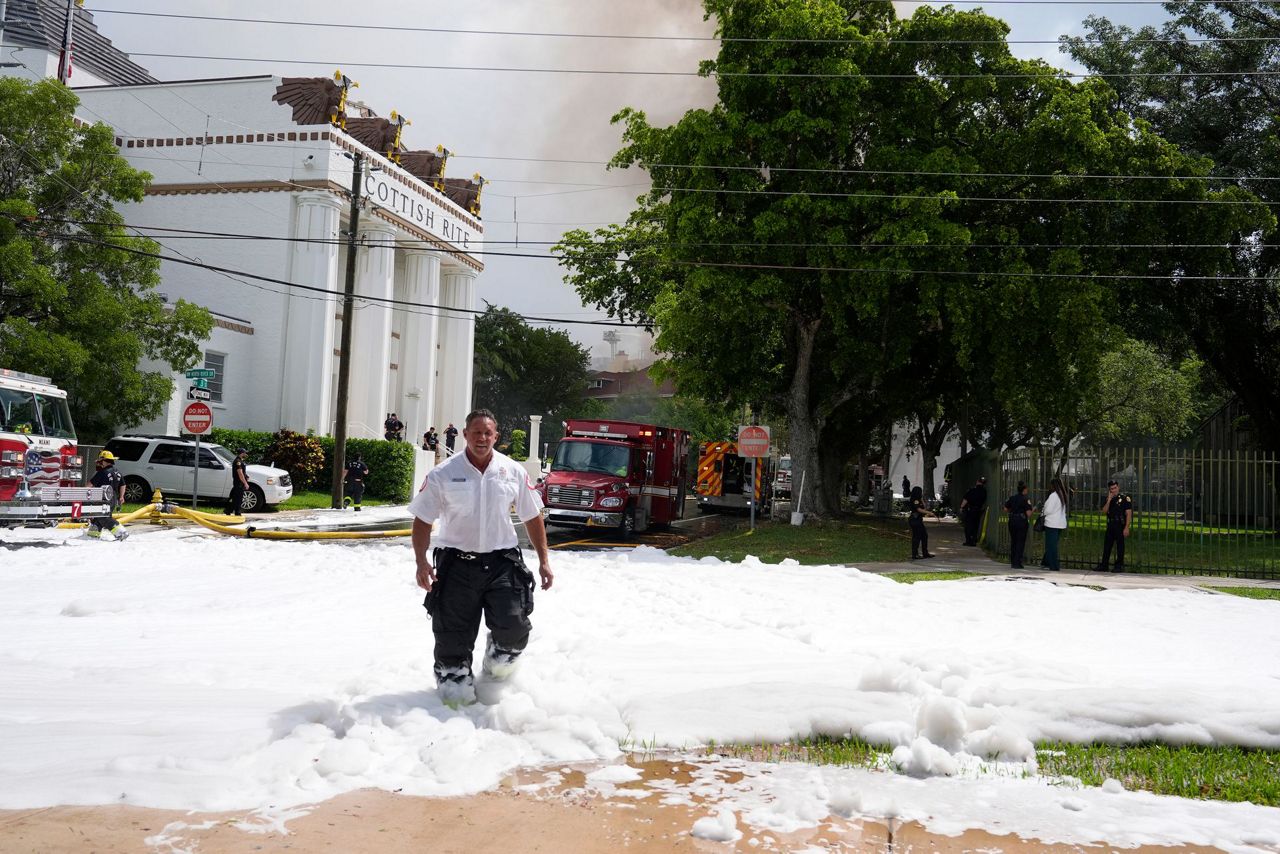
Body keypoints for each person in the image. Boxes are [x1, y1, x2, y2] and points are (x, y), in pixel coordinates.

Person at [410, 409, 554, 708]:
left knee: (514, 629)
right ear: (465, 435)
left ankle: (495, 674)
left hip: (502, 564)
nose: (482, 438)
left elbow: (532, 515)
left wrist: (544, 560)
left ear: (496, 436)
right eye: (476, 432)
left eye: (488, 433)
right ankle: (453, 703)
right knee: (452, 640)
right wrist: (421, 562)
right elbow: (423, 519)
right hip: (457, 566)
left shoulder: (512, 471)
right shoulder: (443, 473)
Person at [86, 450, 128, 540]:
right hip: (113, 499)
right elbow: (123, 485)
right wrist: (121, 497)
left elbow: (89, 485)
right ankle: (93, 535)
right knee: (98, 518)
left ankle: (121, 532)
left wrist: (82, 493)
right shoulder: (117, 472)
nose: (99, 464)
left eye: (100, 462)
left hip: (103, 499)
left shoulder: (102, 472)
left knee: (103, 517)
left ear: (104, 461)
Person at [1095, 480, 1133, 572]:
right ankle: (1104, 565)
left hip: (1120, 524)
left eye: (1115, 488)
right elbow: (1104, 511)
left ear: (1118, 487)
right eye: (1111, 489)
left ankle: (1119, 565)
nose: (1114, 490)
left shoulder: (1125, 498)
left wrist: (1127, 527)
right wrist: (1109, 500)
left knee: (1120, 546)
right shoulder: (1109, 499)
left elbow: (1128, 514)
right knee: (1107, 546)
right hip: (1111, 524)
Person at [1040, 477, 1069, 570]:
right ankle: (1046, 561)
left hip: (1052, 523)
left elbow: (1048, 510)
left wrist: (1043, 511)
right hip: (1060, 523)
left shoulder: (1054, 496)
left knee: (1051, 545)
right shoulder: (1063, 495)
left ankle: (1053, 565)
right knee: (1053, 544)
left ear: (1053, 486)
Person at [1004, 482, 1033, 568]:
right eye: (1027, 489)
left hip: (1012, 520)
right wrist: (1033, 509)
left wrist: (1013, 512)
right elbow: (1028, 514)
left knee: (1014, 541)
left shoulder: (1012, 498)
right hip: (1021, 521)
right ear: (1024, 490)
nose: (1027, 490)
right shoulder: (1026, 499)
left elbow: (1005, 509)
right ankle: (1017, 563)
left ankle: (1013, 561)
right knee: (1020, 542)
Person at [959, 476, 988, 546]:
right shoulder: (984, 491)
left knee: (968, 525)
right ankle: (974, 540)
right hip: (978, 510)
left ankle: (969, 541)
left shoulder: (972, 490)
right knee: (976, 525)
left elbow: (966, 499)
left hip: (971, 510)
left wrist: (961, 507)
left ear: (977, 482)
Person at [908, 485, 934, 560]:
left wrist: (922, 499)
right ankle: (914, 554)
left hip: (918, 520)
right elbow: (919, 510)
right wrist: (929, 513)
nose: (921, 493)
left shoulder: (919, 499)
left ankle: (925, 553)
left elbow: (924, 507)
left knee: (924, 536)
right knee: (916, 537)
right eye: (920, 492)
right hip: (915, 520)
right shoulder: (915, 500)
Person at [224, 448, 250, 515]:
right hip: (238, 482)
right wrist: (245, 483)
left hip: (239, 482)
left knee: (237, 497)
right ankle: (236, 512)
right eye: (245, 453)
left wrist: (246, 476)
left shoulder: (240, 460)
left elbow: (242, 472)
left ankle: (231, 511)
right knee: (238, 498)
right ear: (242, 453)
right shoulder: (238, 461)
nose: (246, 454)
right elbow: (240, 473)